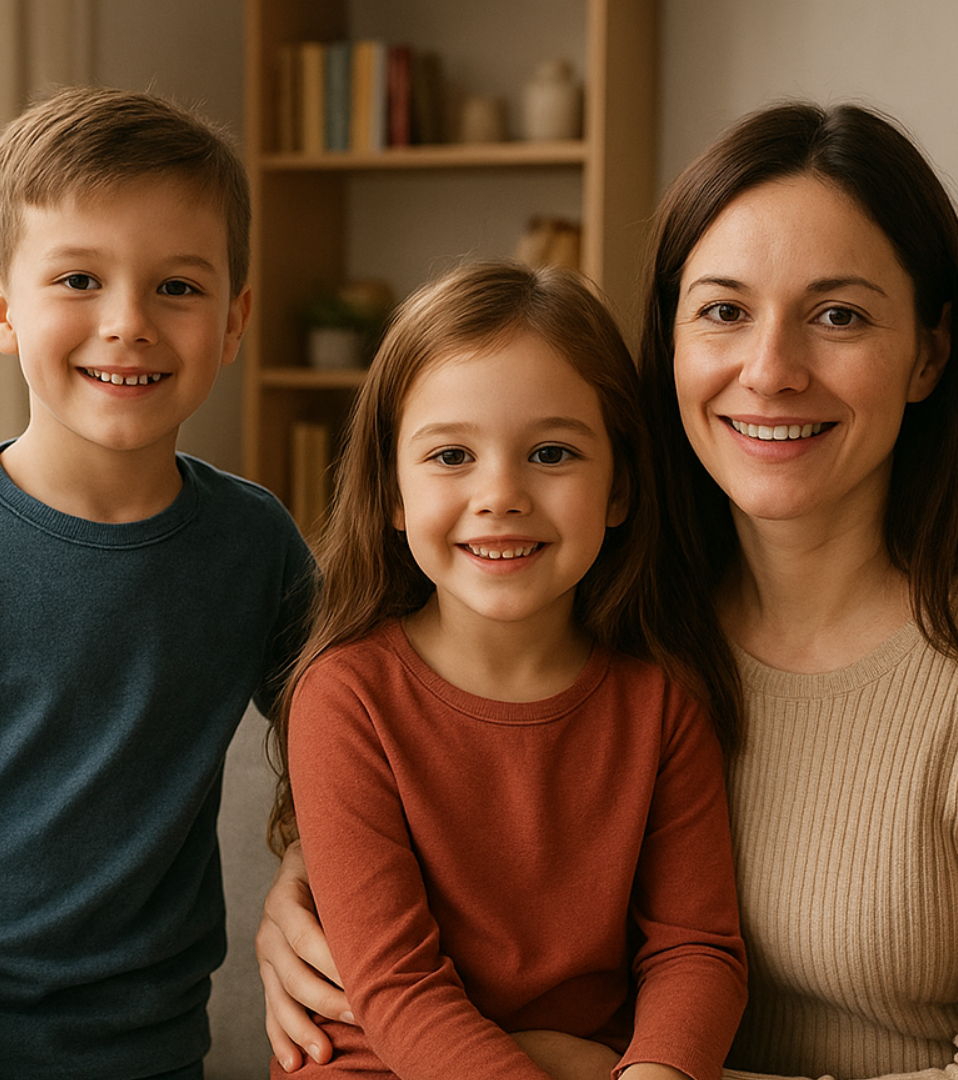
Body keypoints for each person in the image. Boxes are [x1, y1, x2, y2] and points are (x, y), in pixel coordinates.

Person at [259, 102, 958, 1080]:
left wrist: (586, 1071)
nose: (770, 371)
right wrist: (308, 889)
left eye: (839, 315)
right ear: (671, 343)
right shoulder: (633, 614)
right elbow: (461, 817)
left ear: (931, 354)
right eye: (724, 311)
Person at [0, 86, 313, 1080]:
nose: (128, 323)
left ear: (235, 320)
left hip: (147, 1055)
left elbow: (356, 727)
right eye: (79, 278)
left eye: (178, 287)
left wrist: (306, 857)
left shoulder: (256, 545)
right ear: (1, 309)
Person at [270, 260, 747, 1080]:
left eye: (551, 452)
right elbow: (397, 983)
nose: (501, 494)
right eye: (452, 455)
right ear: (392, 493)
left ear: (621, 487)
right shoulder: (346, 698)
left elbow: (694, 949)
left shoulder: (662, 704)